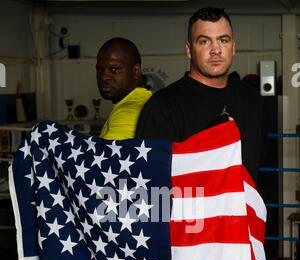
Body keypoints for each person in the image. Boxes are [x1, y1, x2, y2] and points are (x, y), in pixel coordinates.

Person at [135, 7, 263, 182]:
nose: (216, 50)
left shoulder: (251, 99)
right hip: (188, 208)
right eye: (204, 41)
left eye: (223, 40)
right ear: (189, 50)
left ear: (233, 47)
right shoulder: (162, 106)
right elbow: (150, 181)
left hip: (245, 208)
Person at [96, 37, 152, 140]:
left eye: (114, 69)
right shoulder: (143, 100)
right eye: (100, 70)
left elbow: (105, 155)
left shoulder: (128, 111)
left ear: (136, 71)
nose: (104, 77)